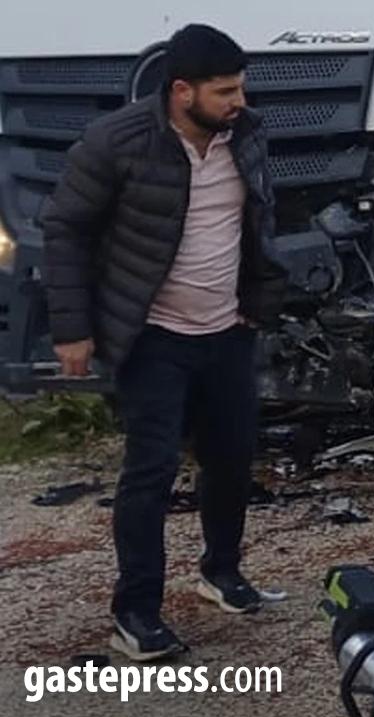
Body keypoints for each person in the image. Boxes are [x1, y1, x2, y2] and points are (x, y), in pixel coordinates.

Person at [39, 24, 286, 662]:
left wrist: (258, 303)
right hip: (153, 336)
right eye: (225, 91)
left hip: (227, 330)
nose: (239, 102)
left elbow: (259, 218)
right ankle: (136, 613)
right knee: (149, 473)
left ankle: (221, 573)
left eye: (242, 88)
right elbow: (63, 228)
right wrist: (72, 329)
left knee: (232, 459)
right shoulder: (117, 142)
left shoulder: (246, 136)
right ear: (181, 92)